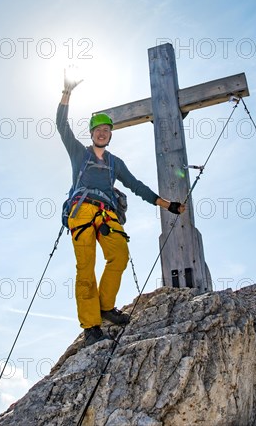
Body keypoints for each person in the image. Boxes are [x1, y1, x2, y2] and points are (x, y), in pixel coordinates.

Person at [56, 73, 185, 347]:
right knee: (86, 268)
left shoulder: (116, 163)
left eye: (106, 130)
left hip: (107, 214)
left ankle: (105, 308)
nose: (102, 133)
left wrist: (168, 205)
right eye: (98, 130)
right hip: (81, 212)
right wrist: (67, 92)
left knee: (119, 256)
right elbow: (61, 125)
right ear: (91, 134)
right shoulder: (80, 154)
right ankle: (91, 326)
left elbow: (136, 186)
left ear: (110, 135)